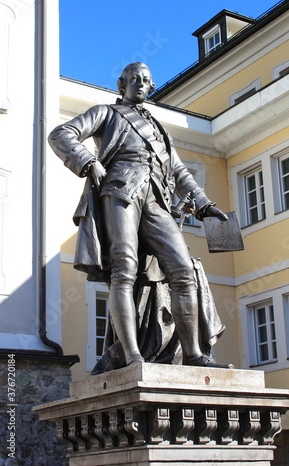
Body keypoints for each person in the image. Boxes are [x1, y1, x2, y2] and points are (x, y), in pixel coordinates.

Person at [49, 62, 232, 370]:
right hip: (120, 191)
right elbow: (61, 133)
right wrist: (87, 161)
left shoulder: (160, 129)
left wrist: (202, 203)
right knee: (124, 269)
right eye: (133, 79)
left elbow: (178, 171)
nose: (139, 83)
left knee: (183, 270)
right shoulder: (106, 113)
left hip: (157, 200)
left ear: (151, 86)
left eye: (145, 80)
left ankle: (193, 354)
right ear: (123, 84)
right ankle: (131, 354)